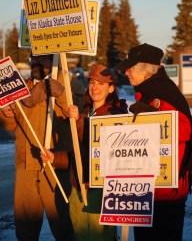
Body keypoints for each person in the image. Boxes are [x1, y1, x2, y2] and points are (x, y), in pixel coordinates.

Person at [115, 43, 192, 241]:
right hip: (146, 187)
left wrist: (151, 116)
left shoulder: (163, 92)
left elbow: (184, 130)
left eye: (130, 68)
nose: (126, 72)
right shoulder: (146, 92)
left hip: (167, 189)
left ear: (145, 69)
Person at [0, 53, 85, 241]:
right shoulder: (21, 88)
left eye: (42, 59)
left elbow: (77, 111)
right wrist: (6, 113)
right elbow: (12, 126)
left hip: (55, 165)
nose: (36, 63)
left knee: (63, 224)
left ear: (53, 60)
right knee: (25, 227)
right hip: (26, 165)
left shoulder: (70, 84)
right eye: (33, 60)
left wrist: (60, 93)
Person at [41, 64, 128, 241]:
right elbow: (81, 154)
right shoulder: (88, 112)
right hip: (78, 186)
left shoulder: (115, 115)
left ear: (111, 88)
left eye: (101, 83)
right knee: (81, 236)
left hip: (101, 189)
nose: (95, 87)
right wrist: (55, 158)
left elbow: (99, 147)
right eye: (92, 82)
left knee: (99, 236)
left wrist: (78, 120)